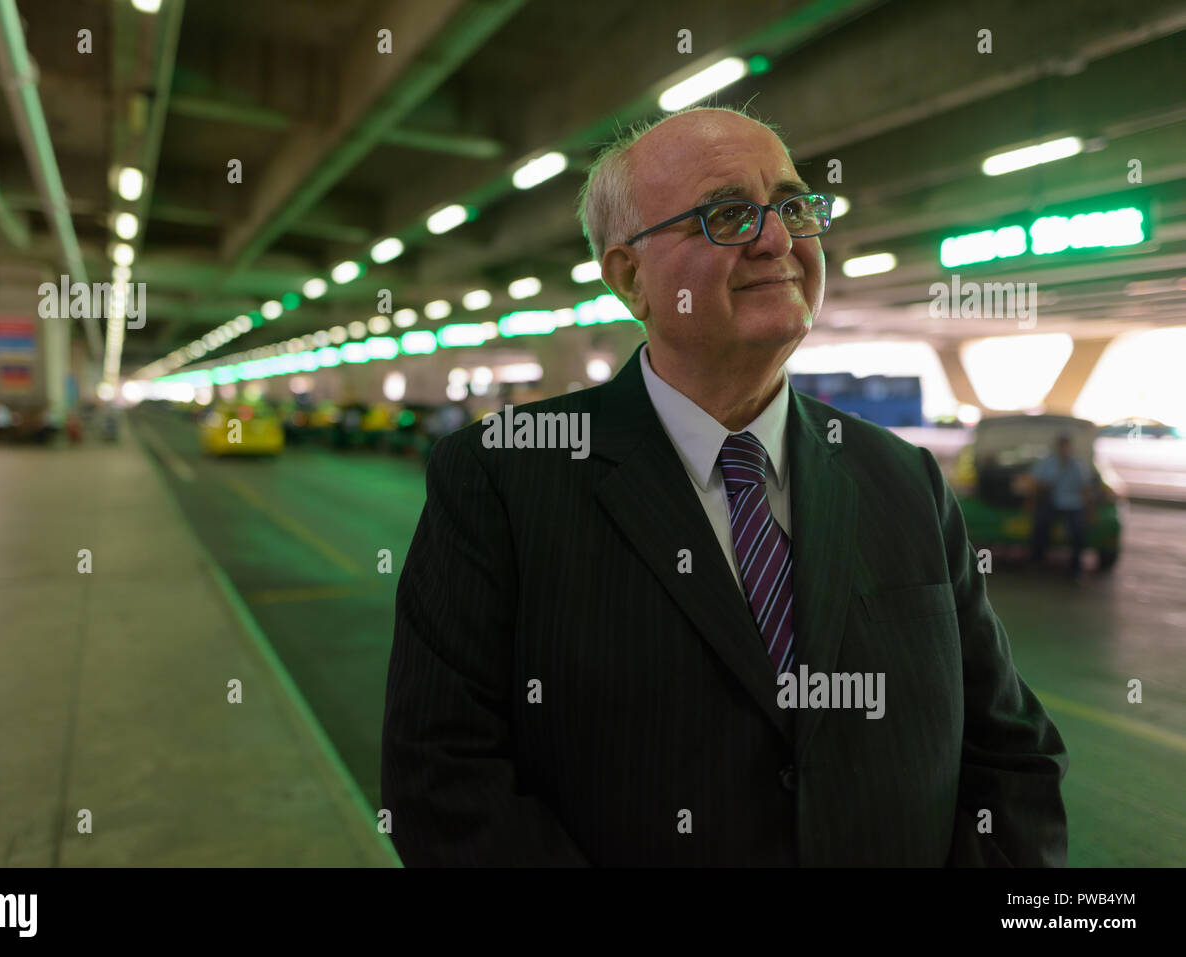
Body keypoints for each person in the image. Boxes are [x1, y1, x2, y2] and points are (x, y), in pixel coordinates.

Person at [381, 106, 1068, 866]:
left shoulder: (903, 478)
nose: (778, 239)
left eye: (794, 206)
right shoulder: (501, 475)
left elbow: (1011, 752)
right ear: (630, 276)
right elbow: (442, 782)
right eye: (728, 214)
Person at [1028, 434, 1093, 578]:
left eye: (1066, 447)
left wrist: (1089, 510)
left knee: (1077, 531)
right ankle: (1037, 561)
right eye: (1061, 447)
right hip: (1053, 502)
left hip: (1073, 504)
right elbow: (1035, 482)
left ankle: (1076, 567)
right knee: (1040, 525)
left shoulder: (1078, 465)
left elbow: (1086, 489)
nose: (1064, 450)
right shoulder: (1047, 462)